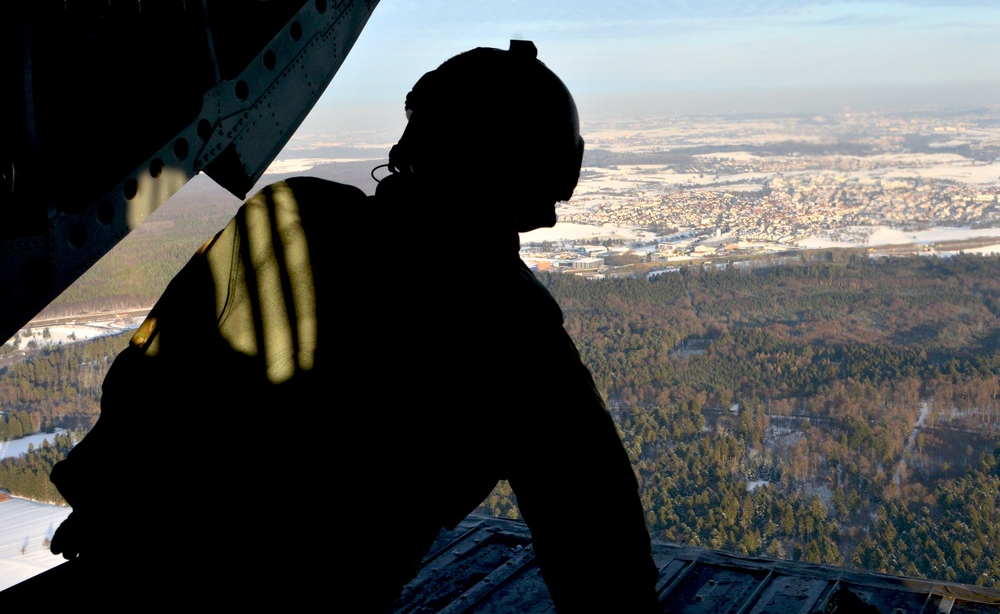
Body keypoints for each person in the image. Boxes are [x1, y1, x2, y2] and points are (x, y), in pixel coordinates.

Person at [38, 40, 661, 611]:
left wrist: (103, 506)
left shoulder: (289, 213)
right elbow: (592, 523)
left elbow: (156, 368)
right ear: (536, 181)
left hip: (147, 565)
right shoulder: (510, 319)